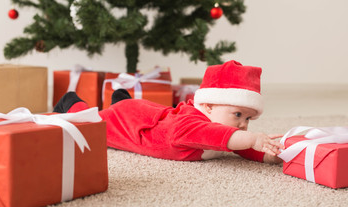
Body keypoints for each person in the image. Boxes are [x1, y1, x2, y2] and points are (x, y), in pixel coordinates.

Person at [54, 60, 284, 164]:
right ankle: (71, 100)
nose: (243, 125)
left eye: (248, 118)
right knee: (91, 126)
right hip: (128, 123)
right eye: (237, 115)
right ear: (209, 106)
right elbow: (223, 138)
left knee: (132, 106)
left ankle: (121, 99)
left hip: (145, 110)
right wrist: (254, 139)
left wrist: (266, 154)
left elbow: (237, 144)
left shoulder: (224, 129)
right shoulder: (191, 126)